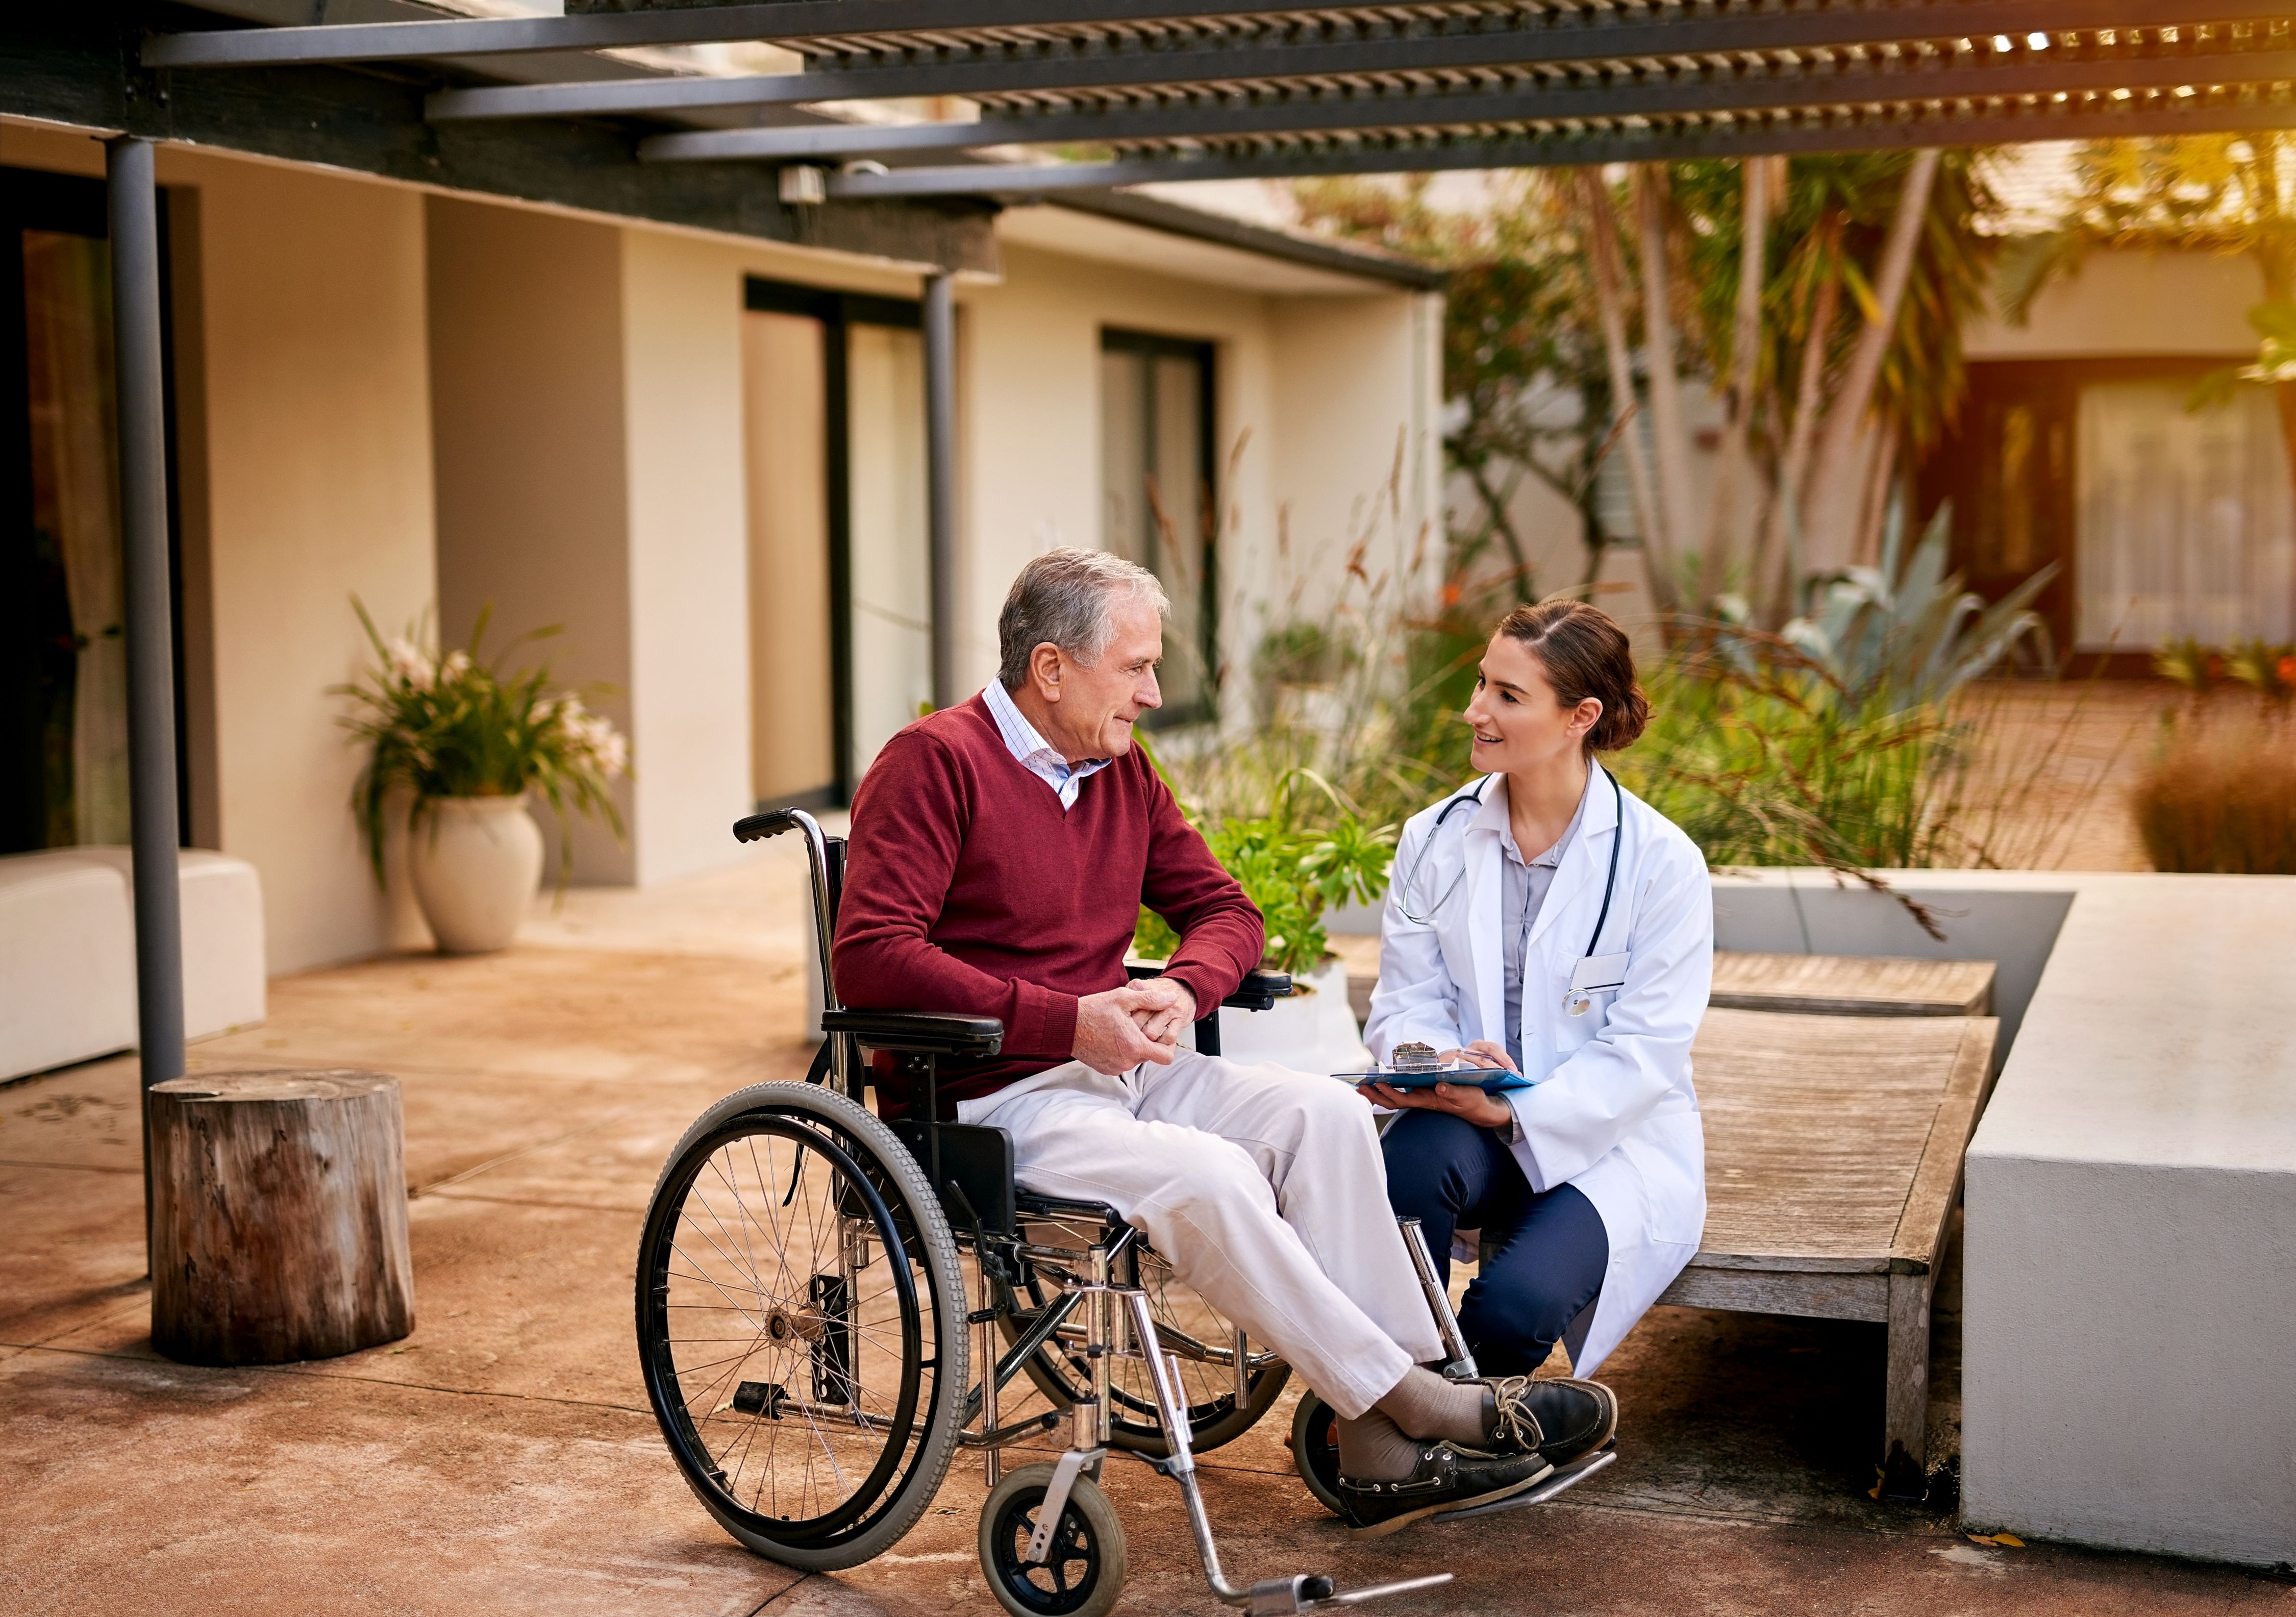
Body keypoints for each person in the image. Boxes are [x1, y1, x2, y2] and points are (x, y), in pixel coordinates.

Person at [834, 549, 1614, 1537]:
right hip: (991, 1097)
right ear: (1051, 669)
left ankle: (1383, 1430)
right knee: (1211, 1175)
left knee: (1325, 1112)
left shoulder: (1119, 774)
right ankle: (1420, 1405)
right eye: (1136, 669)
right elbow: (873, 959)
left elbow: (1225, 911)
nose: (1154, 695)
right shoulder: (935, 762)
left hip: (1123, 1070)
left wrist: (1178, 983)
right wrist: (1067, 1018)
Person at [1363, 600, 1710, 1392]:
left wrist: (1515, 1110)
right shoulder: (1434, 837)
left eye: (1507, 696)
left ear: (1579, 717)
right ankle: (1391, 1393)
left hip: (1610, 1144)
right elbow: (1405, 999)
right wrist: (1437, 1060)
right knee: (1402, 1174)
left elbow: (1645, 1053)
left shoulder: (1662, 863)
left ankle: (1428, 1421)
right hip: (1465, 1120)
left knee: (1510, 1314)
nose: (1474, 710)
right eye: (1482, 683)